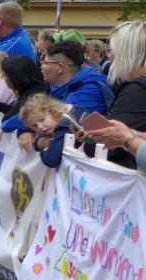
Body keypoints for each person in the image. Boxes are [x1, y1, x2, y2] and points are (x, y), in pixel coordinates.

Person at [97, 20, 146, 169]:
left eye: (112, 50)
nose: (109, 56)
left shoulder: (137, 90)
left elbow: (110, 145)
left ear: (127, 53)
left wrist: (91, 140)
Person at [41, 39, 113, 116]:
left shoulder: (88, 93)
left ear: (60, 67)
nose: (41, 66)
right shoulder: (57, 87)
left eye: (45, 63)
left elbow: (63, 122)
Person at [18, 93, 75, 168]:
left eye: (42, 119)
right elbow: (37, 142)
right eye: (34, 125)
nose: (40, 127)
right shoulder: (55, 123)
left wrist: (46, 145)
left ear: (53, 110)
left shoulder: (66, 125)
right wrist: (40, 142)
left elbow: (51, 160)